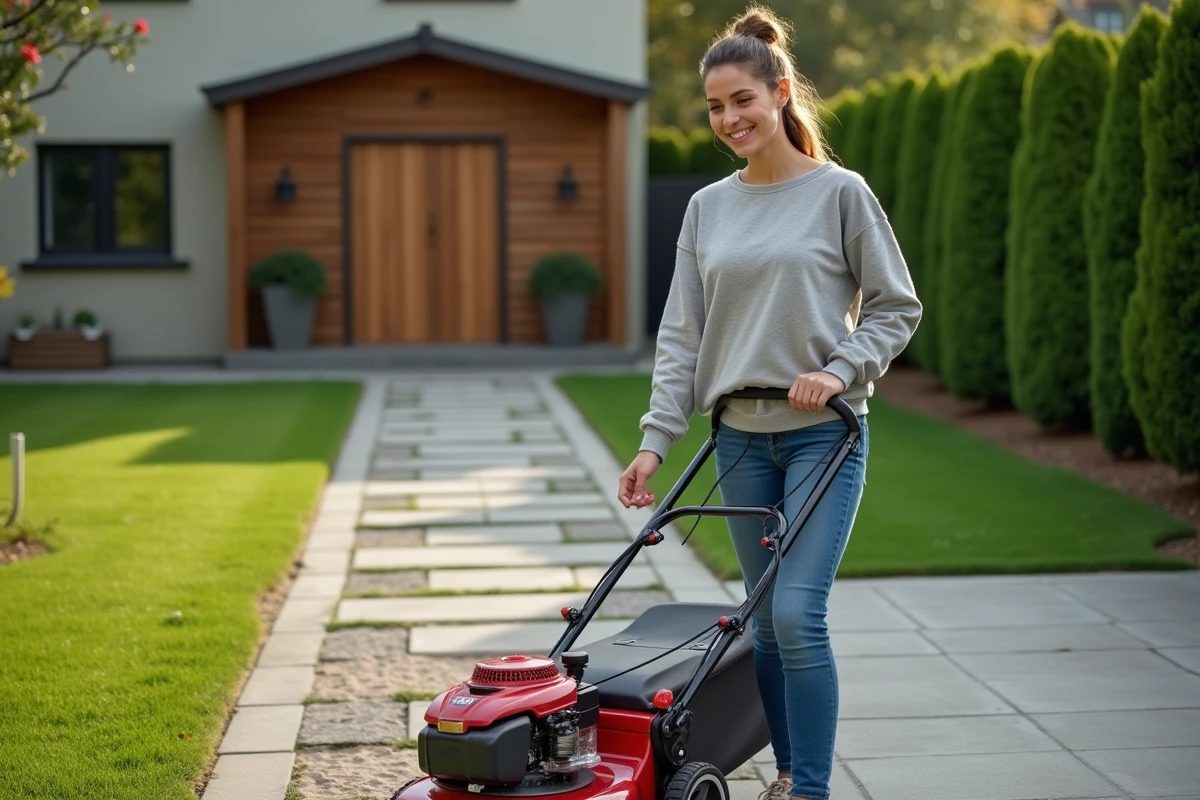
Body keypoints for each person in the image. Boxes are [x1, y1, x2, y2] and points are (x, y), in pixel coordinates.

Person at [616, 6, 922, 800]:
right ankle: (788, 776)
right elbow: (681, 336)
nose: (728, 120)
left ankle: (811, 791)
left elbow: (897, 306)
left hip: (824, 437)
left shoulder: (840, 194)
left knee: (796, 615)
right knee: (764, 630)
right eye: (715, 107)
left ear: (780, 93)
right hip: (741, 442)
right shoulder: (706, 208)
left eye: (742, 101)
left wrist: (843, 364)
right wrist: (655, 441)